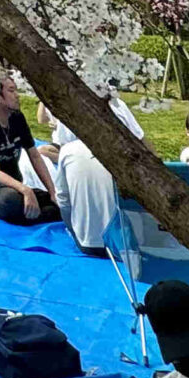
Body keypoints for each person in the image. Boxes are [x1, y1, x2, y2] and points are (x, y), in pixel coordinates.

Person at [45, 89, 147, 254]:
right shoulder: (127, 151)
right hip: (127, 245)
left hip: (88, 244)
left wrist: (75, 231)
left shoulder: (68, 151)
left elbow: (63, 201)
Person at [0, 71, 60, 222]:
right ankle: (42, 213)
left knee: (61, 201)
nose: (17, 95)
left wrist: (52, 191)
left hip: (16, 187)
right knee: (9, 201)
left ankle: (41, 212)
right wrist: (25, 190)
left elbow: (35, 156)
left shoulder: (17, 117)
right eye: (11, 91)